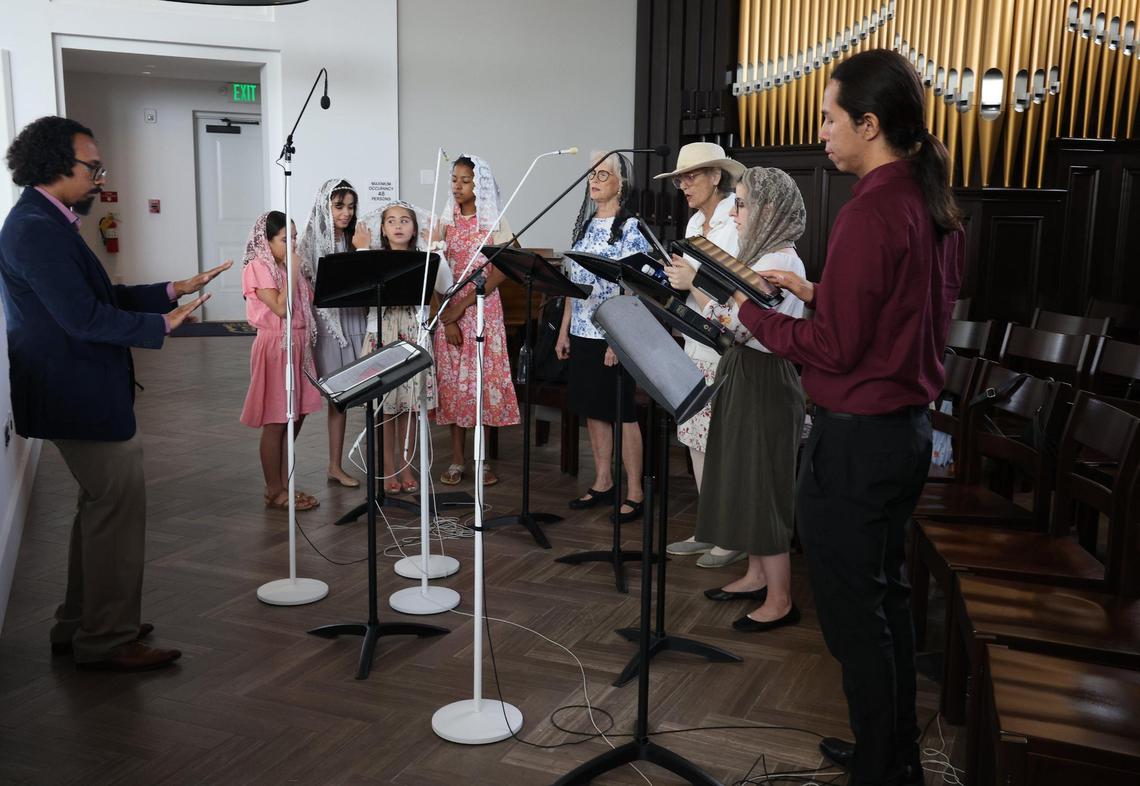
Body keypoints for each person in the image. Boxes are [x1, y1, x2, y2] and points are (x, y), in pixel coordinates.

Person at [735, 50, 964, 786]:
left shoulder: (871, 208)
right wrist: (812, 285)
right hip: (905, 435)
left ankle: (883, 767)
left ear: (869, 124)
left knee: (853, 619)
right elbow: (893, 308)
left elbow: (834, 348)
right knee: (886, 602)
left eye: (832, 119)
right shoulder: (930, 203)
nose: (821, 132)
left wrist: (745, 311)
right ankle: (888, 752)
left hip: (857, 443)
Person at [0, 116, 228, 671]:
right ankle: (106, 639)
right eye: (92, 166)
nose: (100, 177)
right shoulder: (33, 228)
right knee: (117, 509)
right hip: (74, 393)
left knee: (100, 508)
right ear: (55, 165)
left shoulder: (47, 221)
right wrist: (164, 325)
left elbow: (105, 295)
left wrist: (173, 289)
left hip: (77, 388)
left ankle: (82, 622)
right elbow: (82, 317)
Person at [665, 167, 806, 632]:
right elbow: (733, 318)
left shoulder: (782, 260)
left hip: (766, 377)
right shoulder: (758, 253)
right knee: (745, 479)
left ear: (768, 209)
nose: (736, 213)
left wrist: (701, 299)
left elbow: (741, 327)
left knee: (764, 485)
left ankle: (781, 598)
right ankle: (754, 574)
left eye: (742, 204)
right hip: (743, 370)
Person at [653, 142, 750, 568]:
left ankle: (734, 533)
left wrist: (690, 279)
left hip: (724, 342)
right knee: (695, 438)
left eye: (692, 176)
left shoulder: (736, 219)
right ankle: (709, 525)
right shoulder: (695, 221)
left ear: (716, 176)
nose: (683, 184)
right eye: (679, 178)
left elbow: (738, 291)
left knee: (724, 442)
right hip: (693, 337)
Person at [556, 151, 649, 523]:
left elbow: (633, 289)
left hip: (614, 335)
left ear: (621, 184)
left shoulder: (631, 229)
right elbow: (571, 283)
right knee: (594, 412)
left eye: (602, 175)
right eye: (591, 175)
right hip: (581, 331)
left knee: (622, 412)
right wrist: (564, 329)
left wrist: (617, 339)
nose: (593, 181)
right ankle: (603, 481)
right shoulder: (585, 224)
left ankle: (636, 491)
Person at [431, 155, 519, 487]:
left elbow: (504, 268)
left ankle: (482, 461)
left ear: (479, 185)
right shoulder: (444, 222)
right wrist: (447, 316)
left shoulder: (494, 221)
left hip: (483, 310)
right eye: (454, 179)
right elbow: (433, 271)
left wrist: (464, 306)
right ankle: (456, 459)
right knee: (455, 387)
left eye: (465, 180)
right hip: (450, 313)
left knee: (480, 385)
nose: (457, 185)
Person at [356, 200, 450, 494]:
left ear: (414, 228)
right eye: (391, 221)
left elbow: (445, 286)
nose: (398, 225)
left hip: (414, 336)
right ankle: (387, 467)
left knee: (409, 407)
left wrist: (437, 247)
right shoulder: (372, 259)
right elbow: (361, 292)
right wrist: (360, 251)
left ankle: (406, 465)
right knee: (384, 409)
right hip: (382, 335)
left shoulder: (424, 258)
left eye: (405, 220)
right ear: (382, 229)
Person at [239, 211, 322, 511]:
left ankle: (285, 482)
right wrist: (294, 272)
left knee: (297, 415)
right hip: (276, 346)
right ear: (267, 240)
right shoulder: (258, 267)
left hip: (298, 345)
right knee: (277, 419)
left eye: (295, 238)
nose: (293, 244)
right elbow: (279, 308)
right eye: (286, 239)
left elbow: (307, 304)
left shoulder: (287, 265)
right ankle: (274, 489)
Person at [297, 178, 364, 489]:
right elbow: (304, 285)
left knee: (342, 398)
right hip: (323, 324)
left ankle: (335, 465)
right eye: (339, 206)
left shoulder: (356, 240)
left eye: (350, 207)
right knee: (307, 397)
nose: (346, 213)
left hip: (352, 319)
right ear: (325, 207)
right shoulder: (308, 243)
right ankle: (282, 471)